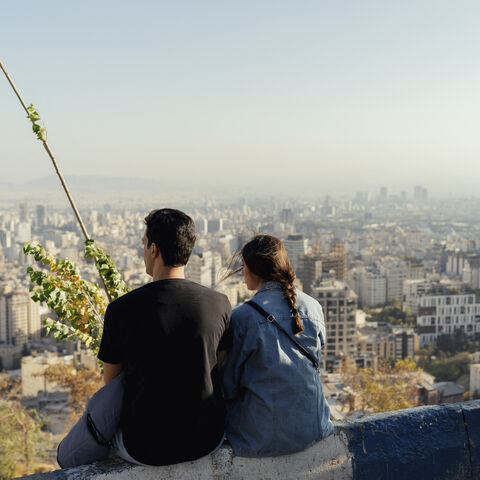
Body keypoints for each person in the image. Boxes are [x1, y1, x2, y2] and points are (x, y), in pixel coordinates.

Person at [97, 208, 232, 466]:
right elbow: (220, 364)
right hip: (206, 438)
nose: (143, 251)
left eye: (144, 244)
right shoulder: (220, 304)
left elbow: (111, 385)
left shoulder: (122, 310)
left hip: (144, 446)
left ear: (154, 250)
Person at [222, 234, 334, 457]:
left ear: (253, 269)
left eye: (243, 267)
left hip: (258, 438)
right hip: (313, 428)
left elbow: (228, 385)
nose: (242, 273)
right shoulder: (313, 307)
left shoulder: (243, 318)